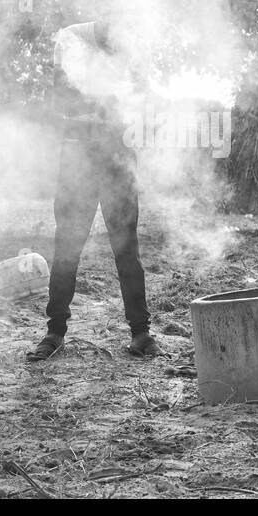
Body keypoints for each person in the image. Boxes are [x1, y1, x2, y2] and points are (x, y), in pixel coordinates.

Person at [26, 20, 162, 361]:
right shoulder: (70, 42)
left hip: (118, 162)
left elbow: (142, 99)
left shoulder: (131, 44)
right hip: (77, 161)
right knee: (67, 248)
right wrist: (98, 110)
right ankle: (55, 332)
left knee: (127, 250)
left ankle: (141, 334)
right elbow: (59, 103)